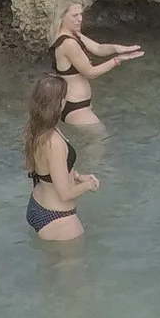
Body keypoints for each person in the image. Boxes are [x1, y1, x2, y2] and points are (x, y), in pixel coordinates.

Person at [23, 73, 98, 241]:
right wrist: (88, 185)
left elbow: (52, 169)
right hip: (58, 217)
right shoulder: (54, 142)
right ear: (60, 103)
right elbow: (65, 194)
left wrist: (78, 176)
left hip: (38, 205)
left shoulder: (38, 128)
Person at [51, 0, 142, 131]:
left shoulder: (74, 35)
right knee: (100, 140)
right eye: (75, 15)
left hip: (77, 104)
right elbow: (90, 73)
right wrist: (117, 60)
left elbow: (98, 48)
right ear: (62, 16)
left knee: (92, 144)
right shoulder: (68, 43)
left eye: (81, 14)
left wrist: (117, 48)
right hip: (75, 106)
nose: (80, 19)